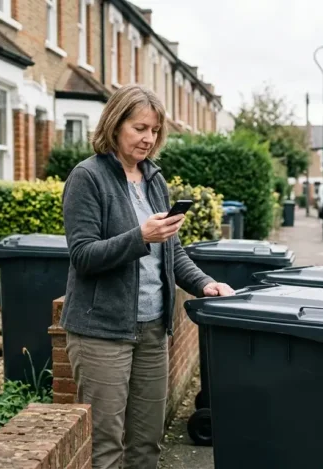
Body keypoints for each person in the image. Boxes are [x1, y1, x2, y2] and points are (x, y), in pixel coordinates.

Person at [60, 84, 234, 469]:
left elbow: (171, 252)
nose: (148, 139)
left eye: (154, 131)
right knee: (107, 446)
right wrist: (140, 236)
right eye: (140, 128)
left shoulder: (153, 179)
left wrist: (205, 284)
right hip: (102, 333)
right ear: (115, 124)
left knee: (147, 443)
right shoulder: (87, 178)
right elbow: (83, 255)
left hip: (153, 331)